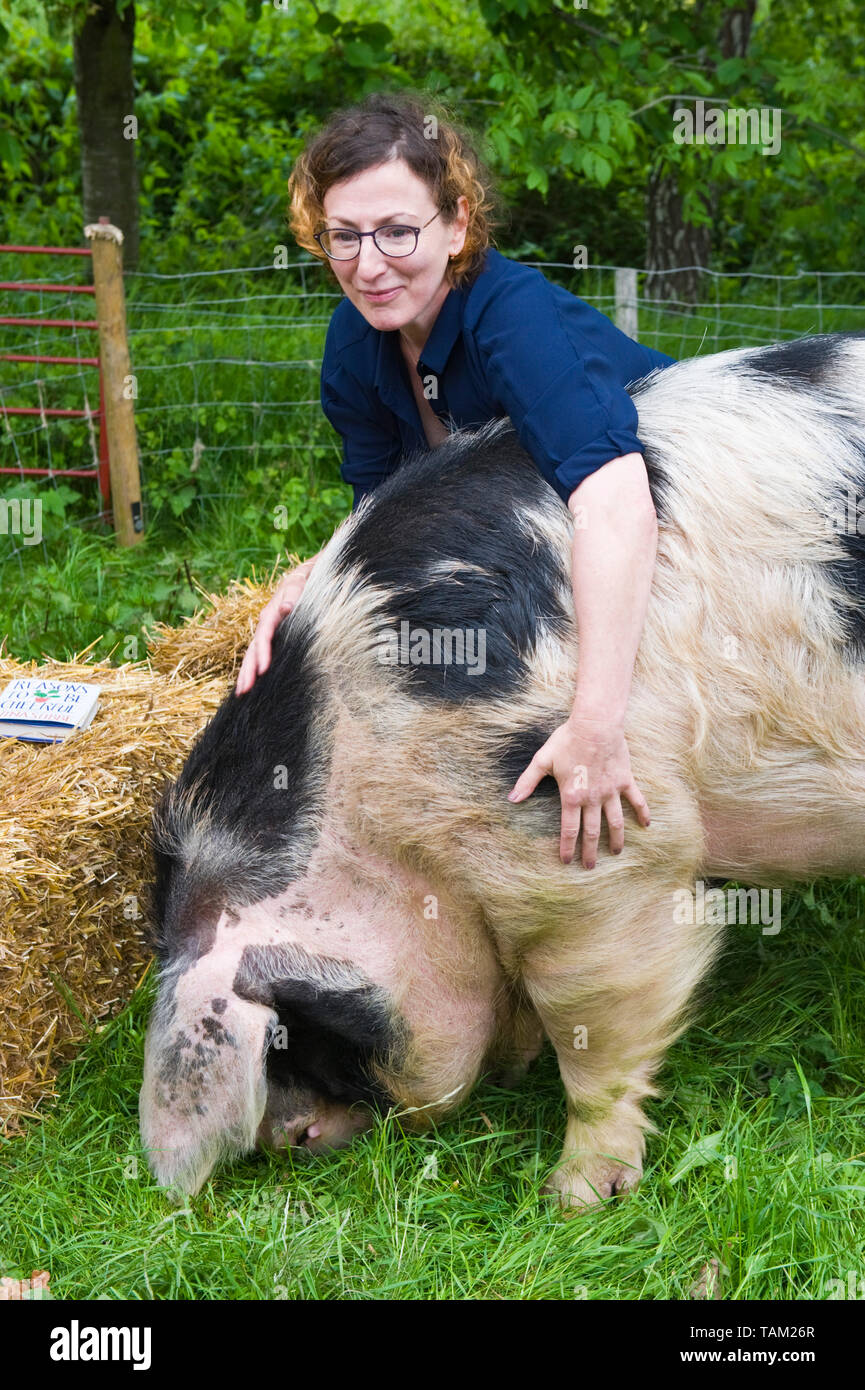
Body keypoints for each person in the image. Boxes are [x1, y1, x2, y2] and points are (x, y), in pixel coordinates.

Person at [235, 92, 676, 870]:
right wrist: (314, 573)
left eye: (397, 231)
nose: (367, 266)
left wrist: (596, 728)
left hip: (678, 522)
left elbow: (616, 507)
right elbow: (379, 513)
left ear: (458, 224)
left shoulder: (514, 318)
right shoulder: (354, 341)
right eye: (343, 237)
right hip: (557, 547)